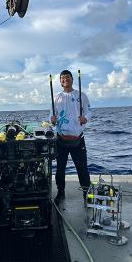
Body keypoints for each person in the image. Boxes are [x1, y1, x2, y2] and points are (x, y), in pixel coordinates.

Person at [50, 69, 91, 202]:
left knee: (82, 168)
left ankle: (86, 194)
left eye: (67, 77)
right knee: (60, 169)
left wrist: (86, 118)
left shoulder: (81, 95)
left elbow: (89, 111)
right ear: (60, 82)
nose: (65, 79)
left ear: (72, 79)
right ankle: (61, 192)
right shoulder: (56, 97)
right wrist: (52, 119)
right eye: (62, 78)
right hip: (61, 139)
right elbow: (51, 115)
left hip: (78, 139)